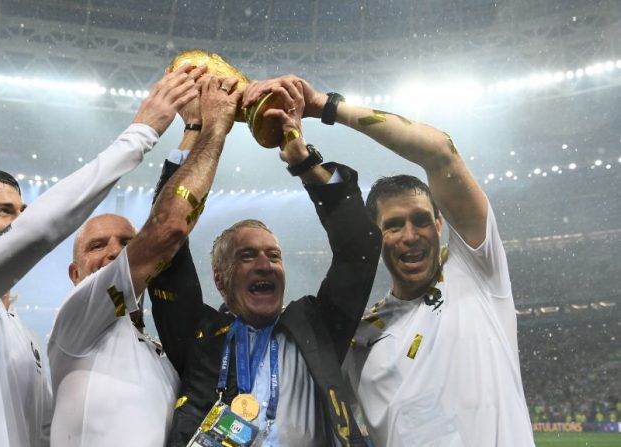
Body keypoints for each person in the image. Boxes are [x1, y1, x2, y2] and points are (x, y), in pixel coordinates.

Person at [0, 64, 204, 446]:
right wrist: (140, 133)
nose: (20, 222)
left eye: (22, 211)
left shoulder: (23, 337)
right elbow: (39, 231)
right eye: (3, 211)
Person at [151, 77, 382, 446]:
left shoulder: (316, 327)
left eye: (273, 255)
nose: (265, 264)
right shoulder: (200, 335)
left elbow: (360, 248)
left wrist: (303, 160)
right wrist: (198, 131)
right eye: (247, 256)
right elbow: (164, 242)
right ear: (220, 278)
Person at [304, 81, 534, 445]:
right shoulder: (359, 338)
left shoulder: (476, 272)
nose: (411, 235)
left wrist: (326, 107)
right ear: (376, 237)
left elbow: (440, 150)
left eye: (421, 220)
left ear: (440, 224)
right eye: (393, 225)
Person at [47, 74, 241, 447]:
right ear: (75, 274)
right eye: (97, 245)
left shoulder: (157, 354)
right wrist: (215, 130)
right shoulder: (80, 320)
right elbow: (167, 228)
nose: (115, 251)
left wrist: (193, 127)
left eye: (126, 242)